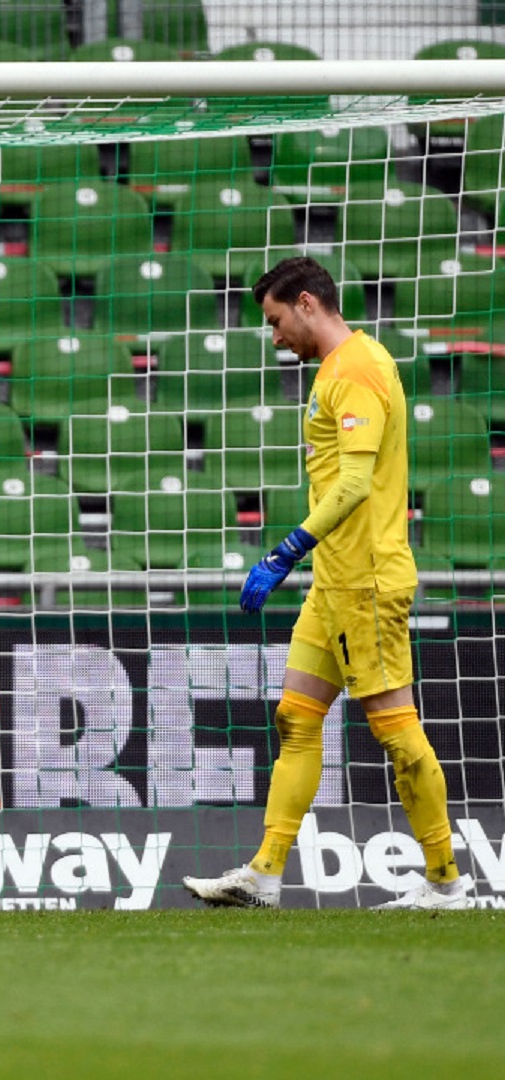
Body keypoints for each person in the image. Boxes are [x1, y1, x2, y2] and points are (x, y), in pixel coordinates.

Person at [183, 257, 469, 911]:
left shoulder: (359, 370)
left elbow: (354, 483)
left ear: (307, 303)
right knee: (295, 718)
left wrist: (285, 552)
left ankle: (447, 881)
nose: (275, 336)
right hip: (333, 583)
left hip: (365, 582)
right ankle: (264, 873)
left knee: (396, 731)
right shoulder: (337, 369)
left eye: (277, 321)